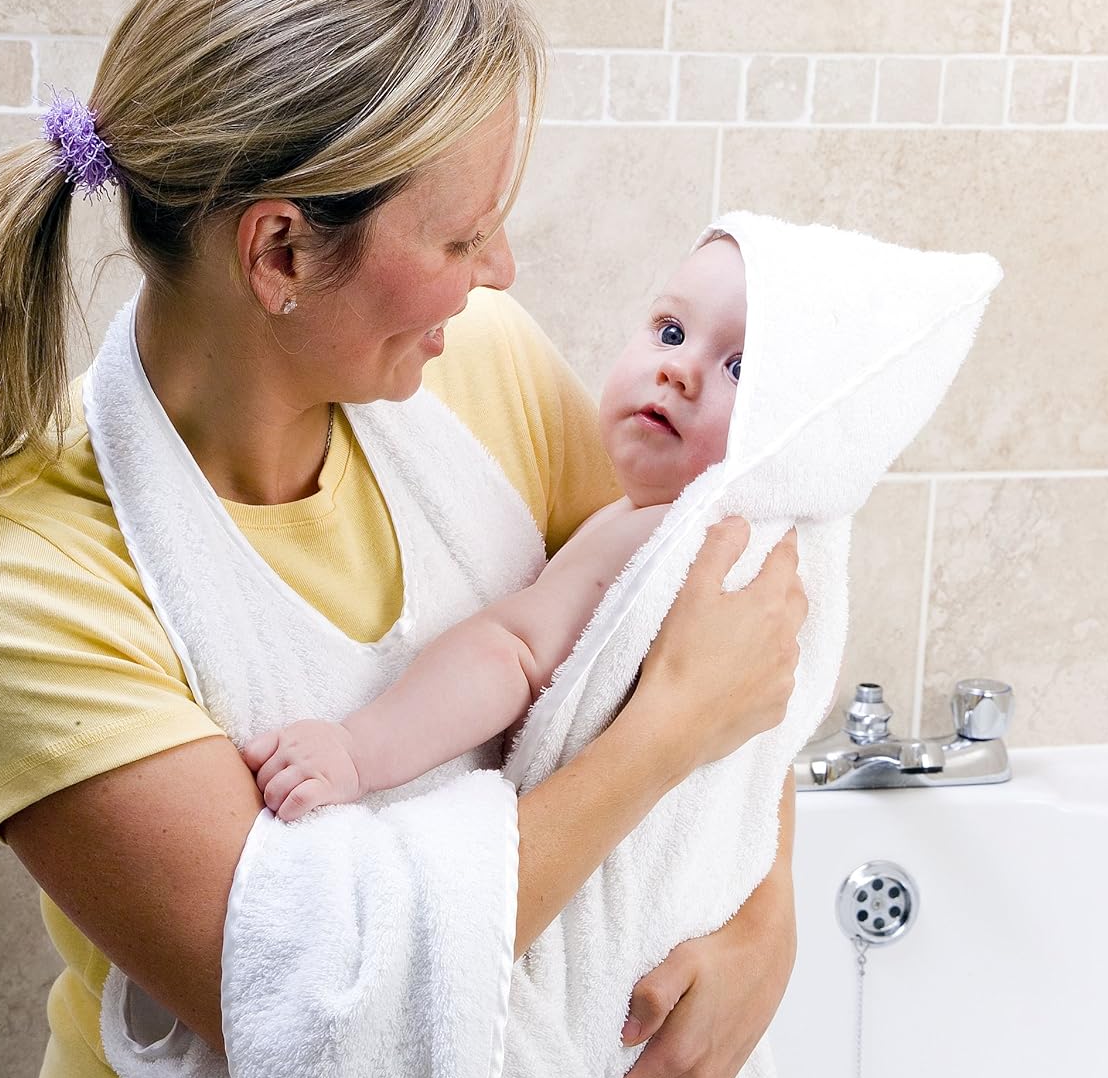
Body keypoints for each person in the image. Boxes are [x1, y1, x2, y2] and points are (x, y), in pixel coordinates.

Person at [0, 0, 807, 1078]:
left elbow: (698, 617)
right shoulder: (10, 576)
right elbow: (333, 1017)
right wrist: (664, 737)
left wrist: (768, 924)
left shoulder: (478, 364)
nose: (499, 269)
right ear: (279, 251)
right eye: (459, 238)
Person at [242, 234, 749, 820]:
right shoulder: (650, 517)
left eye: (739, 369)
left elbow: (513, 655)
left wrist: (357, 751)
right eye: (671, 332)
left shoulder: (665, 536)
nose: (678, 371)